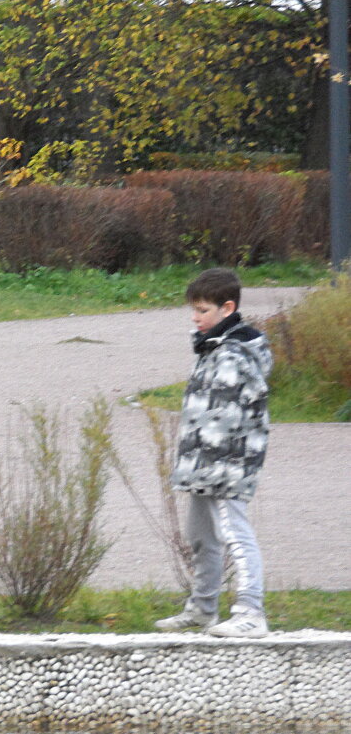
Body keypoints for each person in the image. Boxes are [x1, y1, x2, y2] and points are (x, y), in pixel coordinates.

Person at [155, 268, 273, 638]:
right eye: (193, 310)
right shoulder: (212, 348)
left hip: (228, 467)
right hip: (203, 465)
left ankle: (251, 612)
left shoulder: (238, 354)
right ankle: (203, 608)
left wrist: (222, 466)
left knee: (235, 534)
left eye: (202, 310)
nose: (195, 317)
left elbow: (238, 416)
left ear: (228, 308)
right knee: (201, 536)